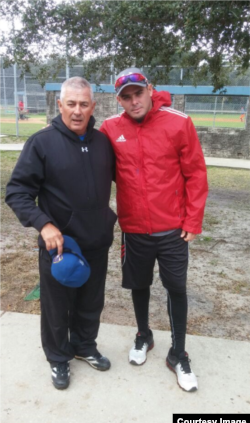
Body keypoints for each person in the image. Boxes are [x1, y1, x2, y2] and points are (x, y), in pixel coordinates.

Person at [100, 67, 208, 392]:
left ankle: (178, 353)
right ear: (119, 100)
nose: (134, 102)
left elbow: (196, 174)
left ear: (149, 89)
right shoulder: (110, 128)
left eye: (138, 93)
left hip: (173, 230)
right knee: (139, 284)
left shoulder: (179, 122)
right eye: (126, 97)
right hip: (134, 229)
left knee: (176, 287)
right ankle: (143, 335)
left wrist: (192, 220)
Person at [6, 77, 117, 390]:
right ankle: (58, 358)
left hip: (96, 240)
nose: (78, 111)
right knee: (56, 307)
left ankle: (84, 345)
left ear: (93, 106)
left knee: (91, 302)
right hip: (61, 246)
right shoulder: (41, 143)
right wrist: (44, 223)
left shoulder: (102, 143)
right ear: (60, 105)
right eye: (71, 103)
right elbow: (16, 191)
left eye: (84, 104)